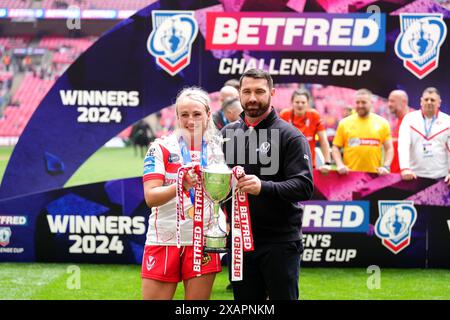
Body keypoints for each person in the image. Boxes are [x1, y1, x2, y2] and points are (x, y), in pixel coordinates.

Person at [222, 69, 314, 300]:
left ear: (272, 93)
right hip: (240, 243)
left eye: (259, 91)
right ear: (239, 94)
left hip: (279, 242)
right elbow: (220, 183)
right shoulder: (227, 133)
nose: (253, 97)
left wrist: (263, 187)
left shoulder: (290, 136)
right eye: (247, 92)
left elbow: (304, 186)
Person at [141, 87, 223, 300]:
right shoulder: (160, 148)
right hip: (164, 239)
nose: (191, 120)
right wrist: (180, 185)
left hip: (203, 241)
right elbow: (151, 197)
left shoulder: (219, 150)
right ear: (177, 117)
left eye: (197, 114)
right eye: (184, 114)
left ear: (207, 115)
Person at [332, 88, 393, 175]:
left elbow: (389, 148)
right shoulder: (344, 123)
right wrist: (340, 165)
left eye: (363, 102)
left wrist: (386, 166)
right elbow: (335, 147)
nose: (360, 105)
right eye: (357, 102)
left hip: (373, 176)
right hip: (350, 176)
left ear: (371, 103)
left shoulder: (382, 123)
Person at [398, 87, 450, 185]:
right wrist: (405, 168)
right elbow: (403, 145)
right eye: (426, 99)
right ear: (421, 101)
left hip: (441, 177)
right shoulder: (409, 119)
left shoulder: (447, 121)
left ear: (439, 102)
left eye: (433, 100)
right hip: (414, 176)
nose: (429, 102)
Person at [279, 89, 332, 173]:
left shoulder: (314, 115)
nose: (300, 105)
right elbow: (276, 141)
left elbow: (323, 140)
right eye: (297, 102)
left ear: (308, 103)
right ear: (292, 102)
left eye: (303, 102)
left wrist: (327, 163)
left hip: (308, 166)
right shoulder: (284, 115)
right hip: (287, 166)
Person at [387, 89, 413, 173]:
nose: (389, 104)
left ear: (404, 102)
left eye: (392, 101)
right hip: (395, 176)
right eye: (389, 101)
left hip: (408, 178)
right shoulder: (398, 121)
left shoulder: (415, 120)